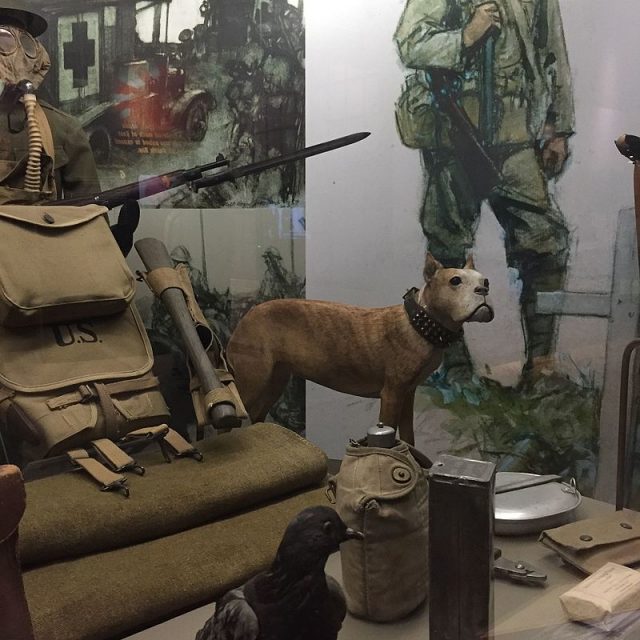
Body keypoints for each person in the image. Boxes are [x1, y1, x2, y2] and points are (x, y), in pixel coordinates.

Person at [394, 0, 575, 380]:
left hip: (515, 134)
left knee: (545, 240)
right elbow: (410, 44)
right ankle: (451, 364)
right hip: (456, 135)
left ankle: (541, 368)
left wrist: (558, 128)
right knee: (447, 249)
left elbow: (552, 50)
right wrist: (465, 36)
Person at [0, 1, 100, 204]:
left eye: (6, 41)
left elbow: (88, 217)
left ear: (32, 52)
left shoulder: (62, 130)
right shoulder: (64, 128)